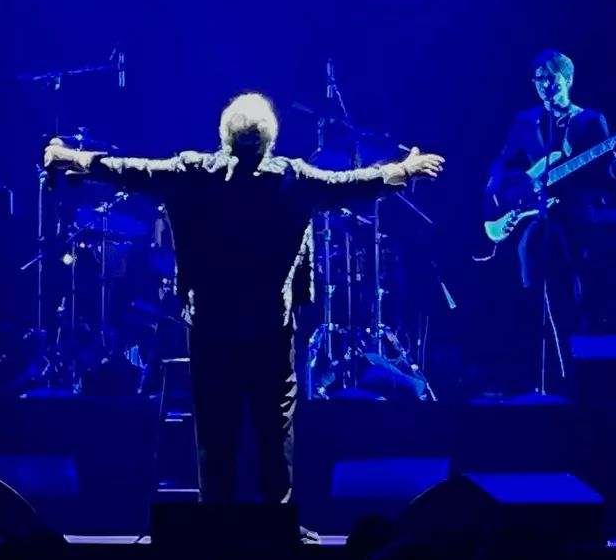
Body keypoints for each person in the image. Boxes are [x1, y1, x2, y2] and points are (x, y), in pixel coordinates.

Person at [43, 92, 444, 505]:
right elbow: (354, 184)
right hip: (270, 325)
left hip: (211, 325)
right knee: (275, 430)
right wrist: (404, 170)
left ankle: (216, 524)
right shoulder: (293, 179)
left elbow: (127, 170)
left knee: (216, 431)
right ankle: (277, 525)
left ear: (224, 136)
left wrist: (70, 157)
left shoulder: (191, 174)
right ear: (270, 139)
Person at [485, 50, 616, 378]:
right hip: (539, 212)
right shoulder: (526, 121)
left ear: (568, 80)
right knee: (530, 273)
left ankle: (583, 369)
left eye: (551, 78)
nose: (543, 85)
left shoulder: (590, 120)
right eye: (538, 79)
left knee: (578, 288)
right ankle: (537, 366)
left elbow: (610, 174)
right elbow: (501, 164)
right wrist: (493, 199)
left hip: (577, 212)